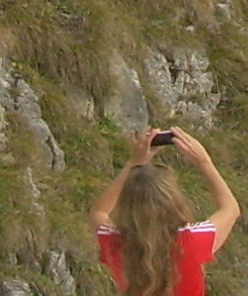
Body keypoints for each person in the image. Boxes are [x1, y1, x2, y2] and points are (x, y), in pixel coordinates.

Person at [89, 126, 239, 296]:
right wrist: (204, 162)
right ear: (173, 202)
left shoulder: (115, 242)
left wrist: (133, 164)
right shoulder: (192, 240)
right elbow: (231, 208)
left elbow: (98, 213)